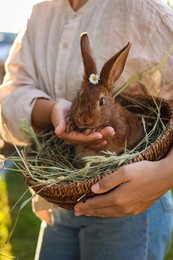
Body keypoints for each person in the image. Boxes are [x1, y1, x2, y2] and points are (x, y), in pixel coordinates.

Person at [1, 0, 173, 259]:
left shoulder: (145, 9)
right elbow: (13, 90)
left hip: (129, 207)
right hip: (61, 198)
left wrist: (164, 173)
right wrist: (52, 110)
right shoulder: (41, 12)